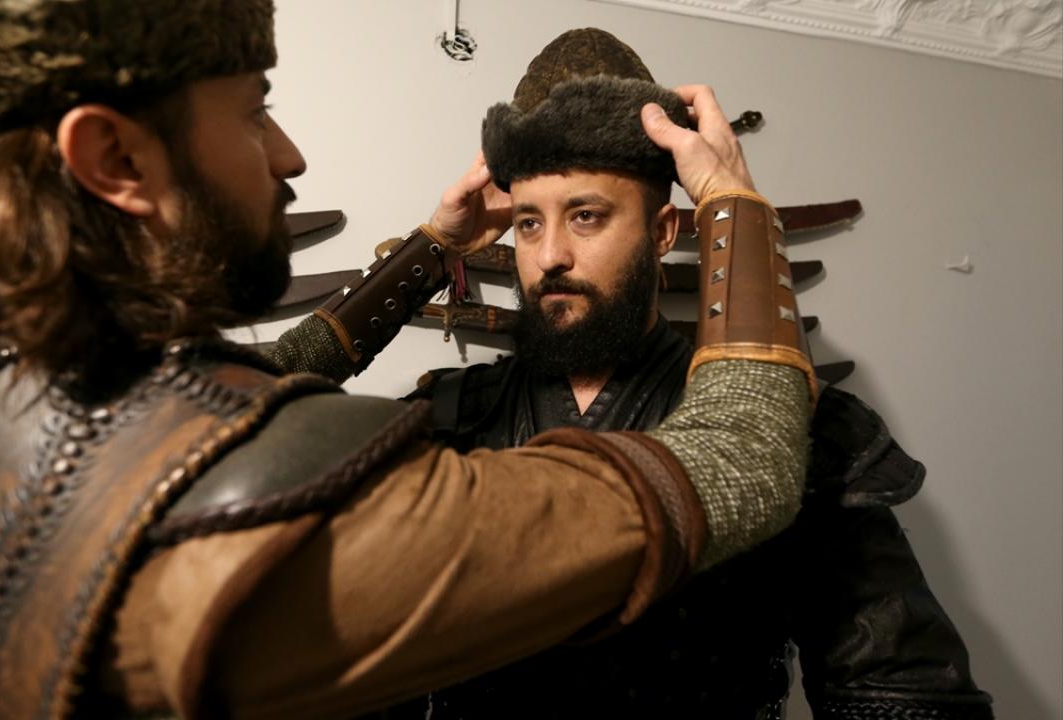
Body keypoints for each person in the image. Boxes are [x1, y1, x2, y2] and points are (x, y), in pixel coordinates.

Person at [0, 3, 818, 719]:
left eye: (587, 216)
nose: (288, 153)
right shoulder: (313, 493)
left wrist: (432, 244)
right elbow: (744, 460)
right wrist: (735, 207)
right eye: (254, 110)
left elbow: (244, 395)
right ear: (114, 160)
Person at [276, 28, 994, 720]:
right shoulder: (446, 418)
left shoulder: (804, 429)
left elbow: (904, 698)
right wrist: (435, 244)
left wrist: (730, 200)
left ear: (662, 232)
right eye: (528, 223)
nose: (549, 255)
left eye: (586, 216)